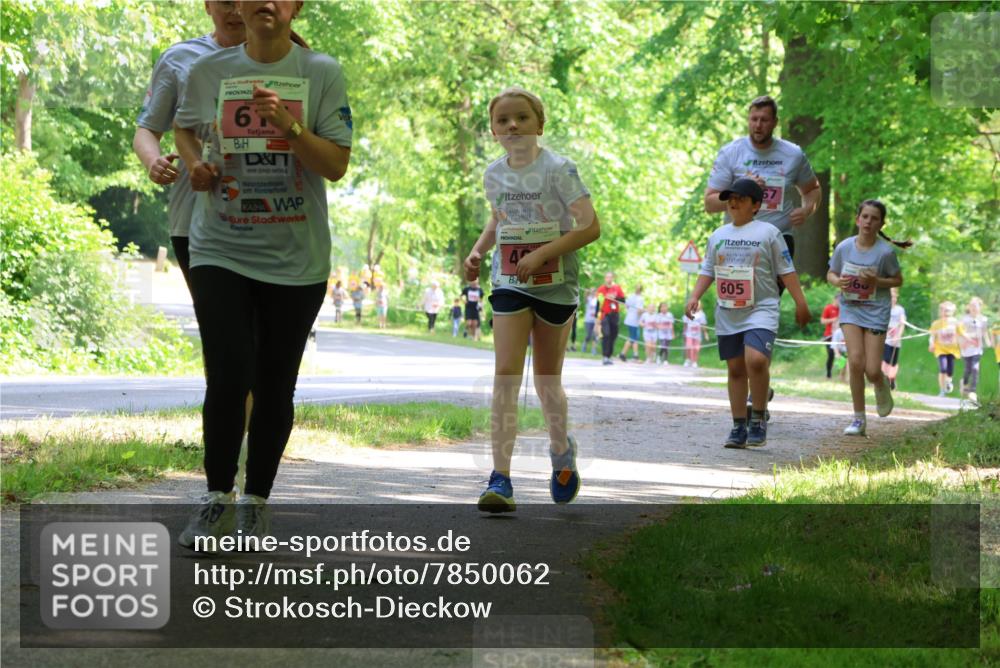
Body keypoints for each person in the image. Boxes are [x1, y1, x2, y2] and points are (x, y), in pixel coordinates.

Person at [173, 0, 352, 546]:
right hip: (220, 244)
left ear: (296, 6)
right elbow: (185, 129)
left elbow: (335, 165)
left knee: (274, 381)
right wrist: (196, 165)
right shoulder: (209, 70)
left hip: (295, 256)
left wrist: (289, 125)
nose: (266, 3)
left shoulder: (321, 71)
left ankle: (256, 502)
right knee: (228, 372)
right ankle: (215, 499)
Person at [463, 86, 600, 513]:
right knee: (506, 374)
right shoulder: (493, 174)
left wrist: (542, 253)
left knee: (546, 381)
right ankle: (500, 478)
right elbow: (499, 219)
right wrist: (478, 251)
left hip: (556, 284)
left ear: (539, 124)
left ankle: (561, 452)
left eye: (522, 117)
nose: (513, 126)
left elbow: (590, 227)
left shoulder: (559, 169)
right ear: (493, 130)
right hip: (509, 281)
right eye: (502, 120)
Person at [686, 179, 811, 448]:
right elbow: (708, 269)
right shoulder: (718, 235)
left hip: (761, 309)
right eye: (730, 198)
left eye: (740, 198)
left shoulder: (769, 233)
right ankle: (738, 426)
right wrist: (695, 296)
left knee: (756, 360)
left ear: (756, 205)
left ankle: (758, 418)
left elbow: (786, 270)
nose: (733, 203)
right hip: (728, 311)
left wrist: (801, 303)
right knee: (735, 368)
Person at [133, 1, 246, 289]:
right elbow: (147, 129)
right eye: (226, 2)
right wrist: (153, 161)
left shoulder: (287, 61)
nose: (235, 11)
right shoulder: (179, 58)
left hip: (268, 215)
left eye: (242, 2)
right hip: (194, 214)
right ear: (208, 5)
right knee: (216, 313)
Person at [704, 95, 821, 278]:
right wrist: (741, 191)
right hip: (738, 242)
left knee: (768, 294)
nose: (758, 125)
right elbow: (710, 203)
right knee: (741, 295)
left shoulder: (792, 154)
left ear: (775, 122)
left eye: (764, 120)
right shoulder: (731, 153)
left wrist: (806, 210)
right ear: (748, 120)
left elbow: (812, 189)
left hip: (778, 239)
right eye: (754, 119)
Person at [827, 199, 909, 436]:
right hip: (851, 309)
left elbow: (898, 280)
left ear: (881, 224)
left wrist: (877, 281)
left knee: (872, 369)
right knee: (855, 361)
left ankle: (880, 382)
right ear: (857, 219)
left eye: (874, 218)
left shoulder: (885, 253)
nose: (868, 222)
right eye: (865, 217)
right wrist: (838, 281)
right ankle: (858, 419)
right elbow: (831, 273)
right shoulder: (844, 247)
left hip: (876, 311)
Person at [929, 302, 965, 397]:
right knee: (943, 368)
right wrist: (931, 344)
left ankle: (948, 381)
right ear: (940, 312)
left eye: (948, 311)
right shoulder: (936, 324)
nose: (946, 313)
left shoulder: (956, 323)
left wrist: (964, 346)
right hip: (940, 349)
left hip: (953, 350)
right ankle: (942, 390)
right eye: (943, 310)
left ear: (953, 312)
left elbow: (961, 335)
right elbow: (932, 336)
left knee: (950, 370)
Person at [959, 297, 991, 406]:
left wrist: (989, 343)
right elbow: (960, 332)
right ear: (968, 307)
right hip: (966, 347)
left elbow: (984, 332)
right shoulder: (964, 319)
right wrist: (962, 343)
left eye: (976, 306)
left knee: (975, 368)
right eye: (971, 305)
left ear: (980, 307)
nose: (973, 308)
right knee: (968, 369)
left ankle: (972, 391)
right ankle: (964, 383)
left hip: (977, 348)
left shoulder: (984, 319)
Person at [596, 272, 626, 365]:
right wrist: (597, 317)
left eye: (610, 277)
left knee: (613, 335)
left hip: (615, 314)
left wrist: (615, 297)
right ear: (605, 278)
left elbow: (623, 300)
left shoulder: (617, 288)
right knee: (606, 334)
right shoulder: (601, 289)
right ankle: (605, 356)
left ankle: (609, 356)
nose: (609, 279)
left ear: (613, 278)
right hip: (605, 314)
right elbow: (598, 303)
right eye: (607, 277)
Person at [882, 288, 906, 390]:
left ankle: (892, 379)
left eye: (894, 297)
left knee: (894, 362)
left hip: (896, 340)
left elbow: (902, 324)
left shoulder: (900, 310)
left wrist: (898, 336)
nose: (892, 299)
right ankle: (884, 380)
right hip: (885, 339)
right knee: (886, 359)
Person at [620, 284, 644, 362]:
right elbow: (639, 311)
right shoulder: (640, 299)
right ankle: (624, 354)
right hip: (634, 320)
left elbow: (626, 305)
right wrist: (644, 311)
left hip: (631, 319)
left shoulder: (631, 296)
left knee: (634, 337)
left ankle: (634, 355)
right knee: (633, 338)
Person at [683, 304, 709, 368]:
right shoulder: (688, 312)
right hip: (689, 334)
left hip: (697, 335)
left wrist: (705, 334)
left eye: (698, 305)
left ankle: (694, 361)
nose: (696, 306)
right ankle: (688, 360)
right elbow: (685, 324)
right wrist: (684, 333)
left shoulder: (702, 314)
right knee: (689, 347)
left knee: (696, 349)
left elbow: (703, 325)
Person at [820, 299, 840, 380]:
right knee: (831, 354)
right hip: (829, 336)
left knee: (842, 355)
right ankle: (828, 374)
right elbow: (822, 321)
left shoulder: (843, 309)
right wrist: (833, 320)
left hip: (840, 336)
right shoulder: (828, 308)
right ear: (835, 299)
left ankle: (842, 374)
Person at [582, 287, 599, 355]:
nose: (593, 292)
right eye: (592, 291)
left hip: (595, 321)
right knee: (589, 335)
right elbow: (585, 299)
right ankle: (584, 344)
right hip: (588, 320)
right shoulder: (588, 298)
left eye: (594, 291)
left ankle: (593, 350)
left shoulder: (597, 300)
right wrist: (586, 292)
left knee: (595, 335)